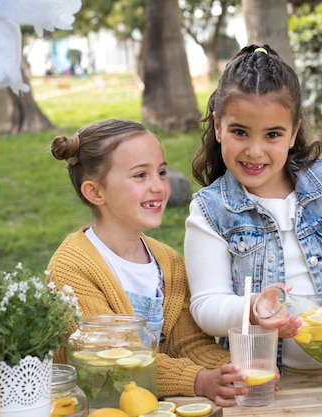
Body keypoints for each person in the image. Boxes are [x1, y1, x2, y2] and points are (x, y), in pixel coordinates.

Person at [184, 44, 322, 373]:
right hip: (266, 380)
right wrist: (253, 308)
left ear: (293, 133)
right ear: (218, 127)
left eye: (272, 134)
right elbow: (206, 305)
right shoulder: (211, 211)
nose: (255, 150)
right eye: (240, 132)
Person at [47, 119, 248, 406]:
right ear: (95, 192)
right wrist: (198, 380)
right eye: (140, 175)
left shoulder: (168, 262)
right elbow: (115, 359)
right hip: (97, 408)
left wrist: (233, 370)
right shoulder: (73, 267)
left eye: (162, 172)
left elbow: (188, 344)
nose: (158, 186)